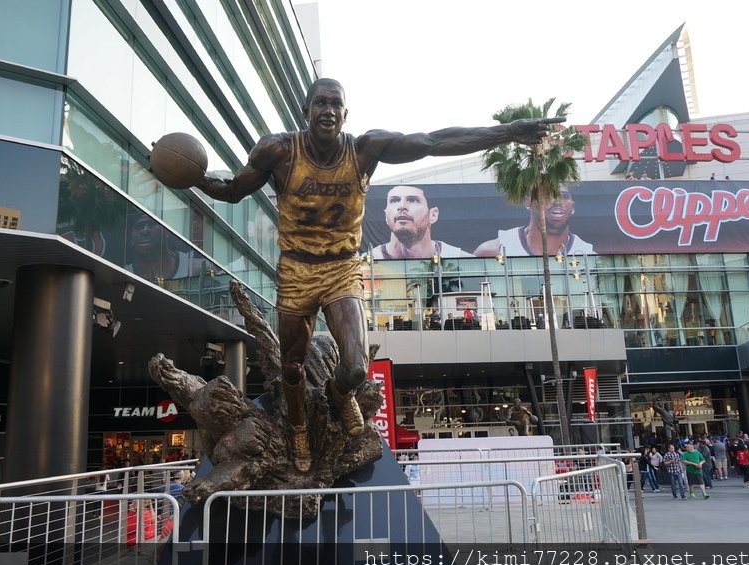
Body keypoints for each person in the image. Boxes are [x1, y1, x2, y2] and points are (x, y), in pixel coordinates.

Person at [194, 78, 560, 473]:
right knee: (292, 367)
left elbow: (434, 141)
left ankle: (340, 395)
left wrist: (507, 132)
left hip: (341, 268)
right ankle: (298, 428)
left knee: (354, 366)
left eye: (336, 104)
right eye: (320, 103)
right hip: (297, 269)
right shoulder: (279, 150)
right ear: (306, 111)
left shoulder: (365, 149)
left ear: (346, 114)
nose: (328, 111)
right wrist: (190, 176)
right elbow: (232, 189)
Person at [473, 186, 594, 257]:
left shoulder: (587, 254)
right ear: (528, 202)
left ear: (572, 207)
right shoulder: (493, 250)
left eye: (564, 196)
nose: (557, 201)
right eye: (547, 194)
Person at [368, 186, 471, 259]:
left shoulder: (461, 261)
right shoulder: (364, 264)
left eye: (413, 200)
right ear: (386, 216)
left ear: (433, 214)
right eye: (394, 200)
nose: (402, 206)